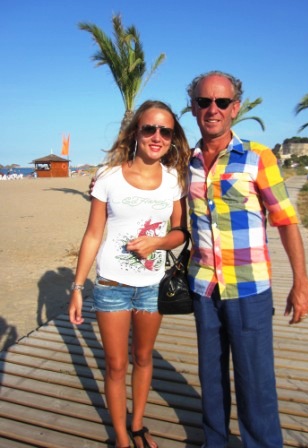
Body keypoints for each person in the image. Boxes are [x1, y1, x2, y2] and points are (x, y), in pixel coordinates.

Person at [186, 71, 308, 448]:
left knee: (255, 381)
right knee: (211, 377)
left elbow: (287, 221)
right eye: (204, 101)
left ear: (235, 108)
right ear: (193, 107)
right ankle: (215, 441)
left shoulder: (258, 157)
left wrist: (301, 283)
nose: (213, 109)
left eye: (221, 102)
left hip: (249, 288)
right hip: (204, 286)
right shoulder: (186, 162)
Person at [69, 100, 190, 448]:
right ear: (135, 132)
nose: (157, 136)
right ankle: (121, 436)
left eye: (165, 131)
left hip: (153, 286)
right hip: (111, 285)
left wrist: (158, 242)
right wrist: (77, 287)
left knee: (143, 357)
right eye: (149, 128)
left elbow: (181, 231)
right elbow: (93, 234)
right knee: (116, 365)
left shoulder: (174, 179)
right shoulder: (108, 177)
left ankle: (137, 425)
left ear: (172, 137)